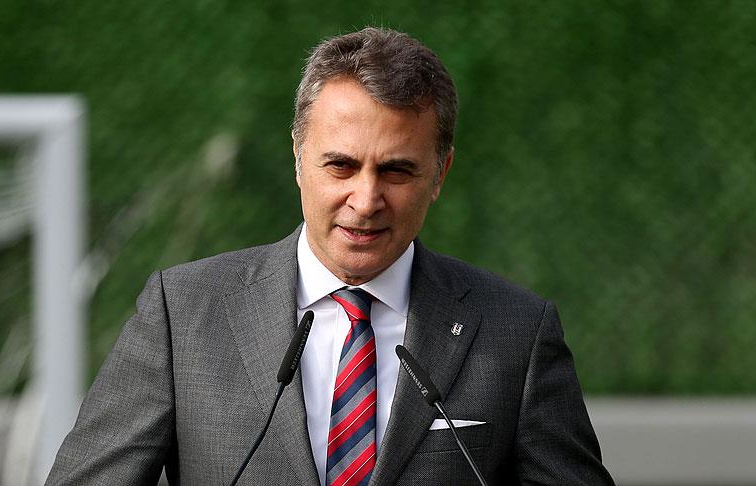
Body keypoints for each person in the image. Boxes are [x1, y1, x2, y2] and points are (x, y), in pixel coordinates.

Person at [47, 27, 614, 485]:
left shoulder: (517, 333)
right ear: (298, 159)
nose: (366, 200)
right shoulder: (184, 312)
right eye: (341, 165)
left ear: (440, 173)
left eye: (396, 170)